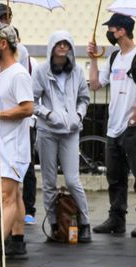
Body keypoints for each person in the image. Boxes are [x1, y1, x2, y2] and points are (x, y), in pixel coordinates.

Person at [86, 13, 136, 237]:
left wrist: (134, 120)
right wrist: (94, 58)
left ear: (122, 31)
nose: (109, 32)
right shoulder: (115, 56)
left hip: (132, 126)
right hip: (113, 127)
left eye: (112, 29)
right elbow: (96, 84)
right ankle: (116, 217)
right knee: (114, 176)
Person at [32, 31, 92, 243]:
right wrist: (48, 114)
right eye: (59, 43)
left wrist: (78, 115)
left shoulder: (77, 71)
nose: (63, 46)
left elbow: (84, 98)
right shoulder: (41, 71)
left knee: (72, 180)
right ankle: (54, 225)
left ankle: (85, 223)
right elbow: (32, 101)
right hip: (47, 131)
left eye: (67, 43)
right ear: (51, 46)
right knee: (48, 182)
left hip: (71, 131)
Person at [0, 24, 35, 258]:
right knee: (13, 195)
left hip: (14, 145)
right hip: (3, 143)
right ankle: (17, 240)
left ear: (3, 44)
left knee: (6, 196)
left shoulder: (18, 74)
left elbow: (27, 108)